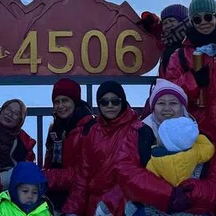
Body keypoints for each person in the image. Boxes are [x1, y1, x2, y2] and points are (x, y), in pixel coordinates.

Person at [162, 0, 216, 213]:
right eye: (197, 19)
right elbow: (168, 93)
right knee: (206, 197)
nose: (203, 22)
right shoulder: (180, 55)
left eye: (208, 17)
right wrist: (192, 80)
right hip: (200, 138)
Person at [62, 82, 188, 216]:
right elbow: (82, 176)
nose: (110, 106)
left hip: (125, 205)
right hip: (93, 207)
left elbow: (137, 174)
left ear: (123, 102)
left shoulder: (138, 130)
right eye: (104, 102)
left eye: (115, 101)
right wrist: (72, 210)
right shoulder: (93, 132)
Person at [42, 79, 94, 210]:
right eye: (56, 102)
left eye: (65, 100)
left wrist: (47, 177)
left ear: (75, 102)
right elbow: (48, 162)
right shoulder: (54, 128)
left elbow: (84, 173)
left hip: (82, 197)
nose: (60, 106)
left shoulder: (89, 128)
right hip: (54, 195)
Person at [145, 116, 215, 187]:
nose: (157, 137)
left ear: (165, 142)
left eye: (160, 135)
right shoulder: (196, 152)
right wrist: (196, 137)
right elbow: (209, 148)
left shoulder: (155, 159)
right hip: (192, 190)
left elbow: (150, 179)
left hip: (167, 194)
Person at [0, 99, 37, 188]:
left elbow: (27, 171)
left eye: (16, 113)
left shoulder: (23, 143)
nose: (10, 114)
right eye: (8, 109)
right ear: (1, 110)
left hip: (10, 186)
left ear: (20, 120)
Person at [139, 5, 189, 79]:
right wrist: (151, 20)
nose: (168, 25)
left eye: (171, 21)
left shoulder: (191, 40)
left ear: (182, 21)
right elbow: (156, 28)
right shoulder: (165, 42)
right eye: (165, 23)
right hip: (167, 84)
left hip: (186, 86)